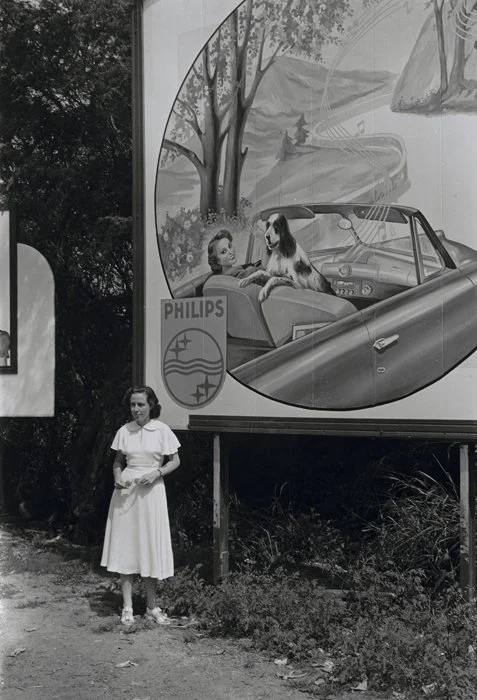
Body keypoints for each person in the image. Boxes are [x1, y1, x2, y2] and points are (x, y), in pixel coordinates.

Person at [101, 386, 180, 625]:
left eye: (141, 404)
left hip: (152, 492)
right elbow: (118, 462)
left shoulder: (162, 430)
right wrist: (117, 478)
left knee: (149, 545)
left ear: (151, 405)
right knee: (126, 545)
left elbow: (175, 461)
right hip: (126, 493)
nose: (136, 409)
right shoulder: (124, 430)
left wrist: (156, 473)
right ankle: (127, 606)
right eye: (133, 405)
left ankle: (151, 607)